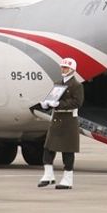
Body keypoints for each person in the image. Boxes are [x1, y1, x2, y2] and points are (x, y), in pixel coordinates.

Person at [38, 58, 84, 189]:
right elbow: (53, 98)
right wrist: (46, 104)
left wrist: (60, 104)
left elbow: (77, 102)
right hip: (56, 119)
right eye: (62, 67)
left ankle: (68, 180)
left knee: (67, 151)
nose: (63, 69)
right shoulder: (58, 83)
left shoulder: (77, 85)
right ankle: (48, 175)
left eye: (66, 67)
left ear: (72, 70)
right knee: (48, 148)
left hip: (68, 120)